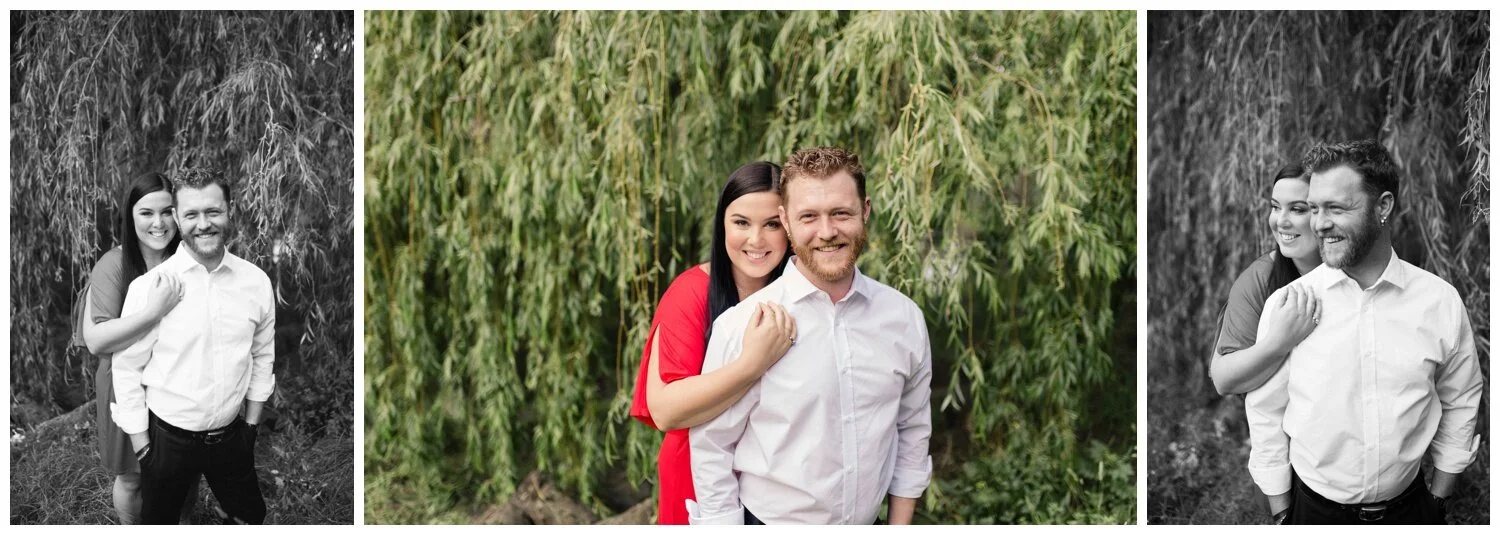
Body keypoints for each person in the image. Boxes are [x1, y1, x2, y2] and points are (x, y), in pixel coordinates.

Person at [690, 147, 933, 525]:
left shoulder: (904, 319)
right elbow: (712, 449)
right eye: (809, 216)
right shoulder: (742, 325)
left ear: (865, 210)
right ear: (786, 221)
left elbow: (912, 432)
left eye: (841, 213)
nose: (827, 232)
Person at [1246, 140, 1483, 524]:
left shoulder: (1439, 302)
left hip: (1413, 512)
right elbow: (1266, 412)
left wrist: (1438, 499)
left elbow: (1461, 399)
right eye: (1315, 208)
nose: (1319, 223)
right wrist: (1282, 513)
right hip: (1312, 513)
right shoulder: (1290, 304)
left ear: (1383, 206)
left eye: (1336, 208)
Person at [629, 161, 799, 524]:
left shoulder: (801, 297)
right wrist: (751, 365)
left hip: (777, 486)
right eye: (741, 223)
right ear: (722, 224)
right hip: (696, 480)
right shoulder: (692, 293)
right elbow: (666, 410)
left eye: (772, 224)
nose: (756, 240)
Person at [112, 167, 277, 524]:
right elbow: (126, 370)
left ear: (230, 210)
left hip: (233, 436)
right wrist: (144, 450)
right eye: (191, 215)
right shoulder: (151, 287)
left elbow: (263, 356)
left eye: (213, 211)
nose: (203, 224)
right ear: (177, 217)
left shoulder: (256, 282)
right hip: (167, 442)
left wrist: (251, 427)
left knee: (251, 517)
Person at [73, 171, 193, 524]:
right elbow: (97, 340)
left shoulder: (188, 260)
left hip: (177, 378)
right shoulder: (114, 264)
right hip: (124, 384)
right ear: (130, 216)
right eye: (146, 213)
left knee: (185, 473)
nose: (159, 223)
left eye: (167, 211)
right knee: (132, 476)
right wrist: (153, 311)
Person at [1206, 163, 1324, 515]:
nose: (1280, 221)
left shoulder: (1356, 275)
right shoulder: (1259, 280)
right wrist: (1279, 342)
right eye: (1275, 207)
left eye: (1297, 209)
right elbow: (1224, 379)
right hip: (1285, 458)